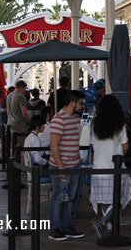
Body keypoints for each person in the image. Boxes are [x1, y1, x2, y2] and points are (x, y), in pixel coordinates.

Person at [90, 95, 131, 239]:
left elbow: (92, 144)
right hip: (114, 166)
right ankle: (103, 224)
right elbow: (125, 146)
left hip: (98, 167)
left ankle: (108, 229)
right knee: (117, 199)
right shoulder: (119, 125)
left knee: (105, 201)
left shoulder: (94, 124)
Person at [48, 90, 85, 241]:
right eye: (81, 103)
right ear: (72, 103)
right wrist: (61, 166)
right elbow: (54, 145)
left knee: (69, 197)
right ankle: (55, 227)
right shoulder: (58, 119)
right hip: (61, 166)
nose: (83, 106)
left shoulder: (75, 118)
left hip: (74, 164)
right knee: (58, 197)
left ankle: (66, 225)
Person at [24, 115, 51, 183]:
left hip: (31, 171)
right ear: (37, 126)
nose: (44, 127)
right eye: (42, 125)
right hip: (36, 172)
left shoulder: (29, 137)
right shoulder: (36, 139)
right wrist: (47, 162)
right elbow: (38, 159)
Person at [6, 80, 30, 149]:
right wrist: (28, 121)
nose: (25, 91)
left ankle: (12, 158)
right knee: (22, 145)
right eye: (25, 88)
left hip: (10, 123)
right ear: (21, 87)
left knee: (12, 145)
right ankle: (21, 159)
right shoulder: (21, 96)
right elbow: (24, 112)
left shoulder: (9, 96)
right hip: (19, 124)